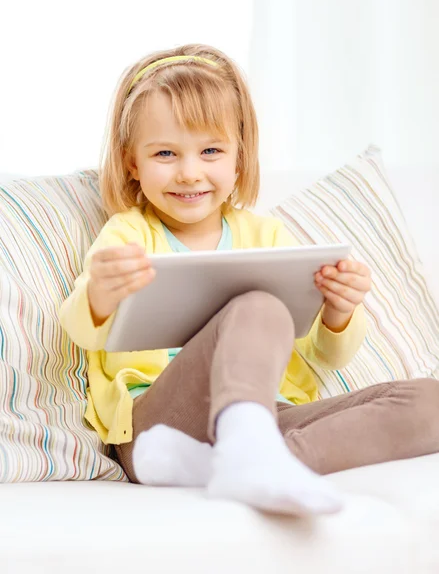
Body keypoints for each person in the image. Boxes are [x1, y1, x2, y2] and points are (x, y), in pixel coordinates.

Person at [59, 44, 439, 517]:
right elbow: (79, 327)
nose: (189, 172)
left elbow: (324, 355)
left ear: (239, 157)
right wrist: (100, 294)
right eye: (165, 153)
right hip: (159, 425)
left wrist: (339, 313)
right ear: (132, 162)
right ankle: (239, 452)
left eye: (211, 151)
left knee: (430, 401)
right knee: (258, 306)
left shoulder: (266, 235)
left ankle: (254, 462)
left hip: (268, 414)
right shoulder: (130, 233)